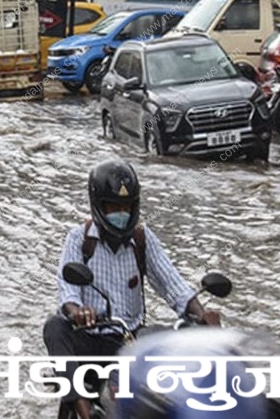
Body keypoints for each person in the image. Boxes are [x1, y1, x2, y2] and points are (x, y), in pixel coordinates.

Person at [42, 159, 220, 419]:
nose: (121, 212)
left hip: (129, 341)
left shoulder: (141, 239)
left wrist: (200, 313)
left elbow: (173, 284)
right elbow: (68, 290)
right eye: (114, 206)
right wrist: (77, 312)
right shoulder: (78, 239)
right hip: (89, 337)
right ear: (99, 206)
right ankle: (84, 411)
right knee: (55, 326)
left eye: (126, 206)